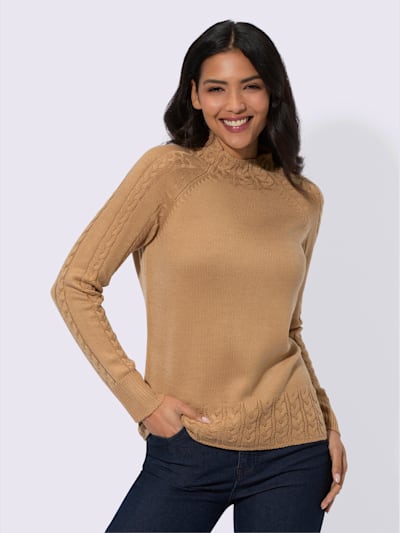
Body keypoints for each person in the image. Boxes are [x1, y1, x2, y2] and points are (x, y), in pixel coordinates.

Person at [51, 20, 347, 533]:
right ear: (194, 95)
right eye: (216, 88)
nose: (235, 104)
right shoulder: (166, 172)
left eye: (250, 86)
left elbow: (289, 328)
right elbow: (75, 285)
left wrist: (328, 424)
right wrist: (143, 403)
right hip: (187, 447)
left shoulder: (302, 198)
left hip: (294, 453)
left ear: (273, 92)